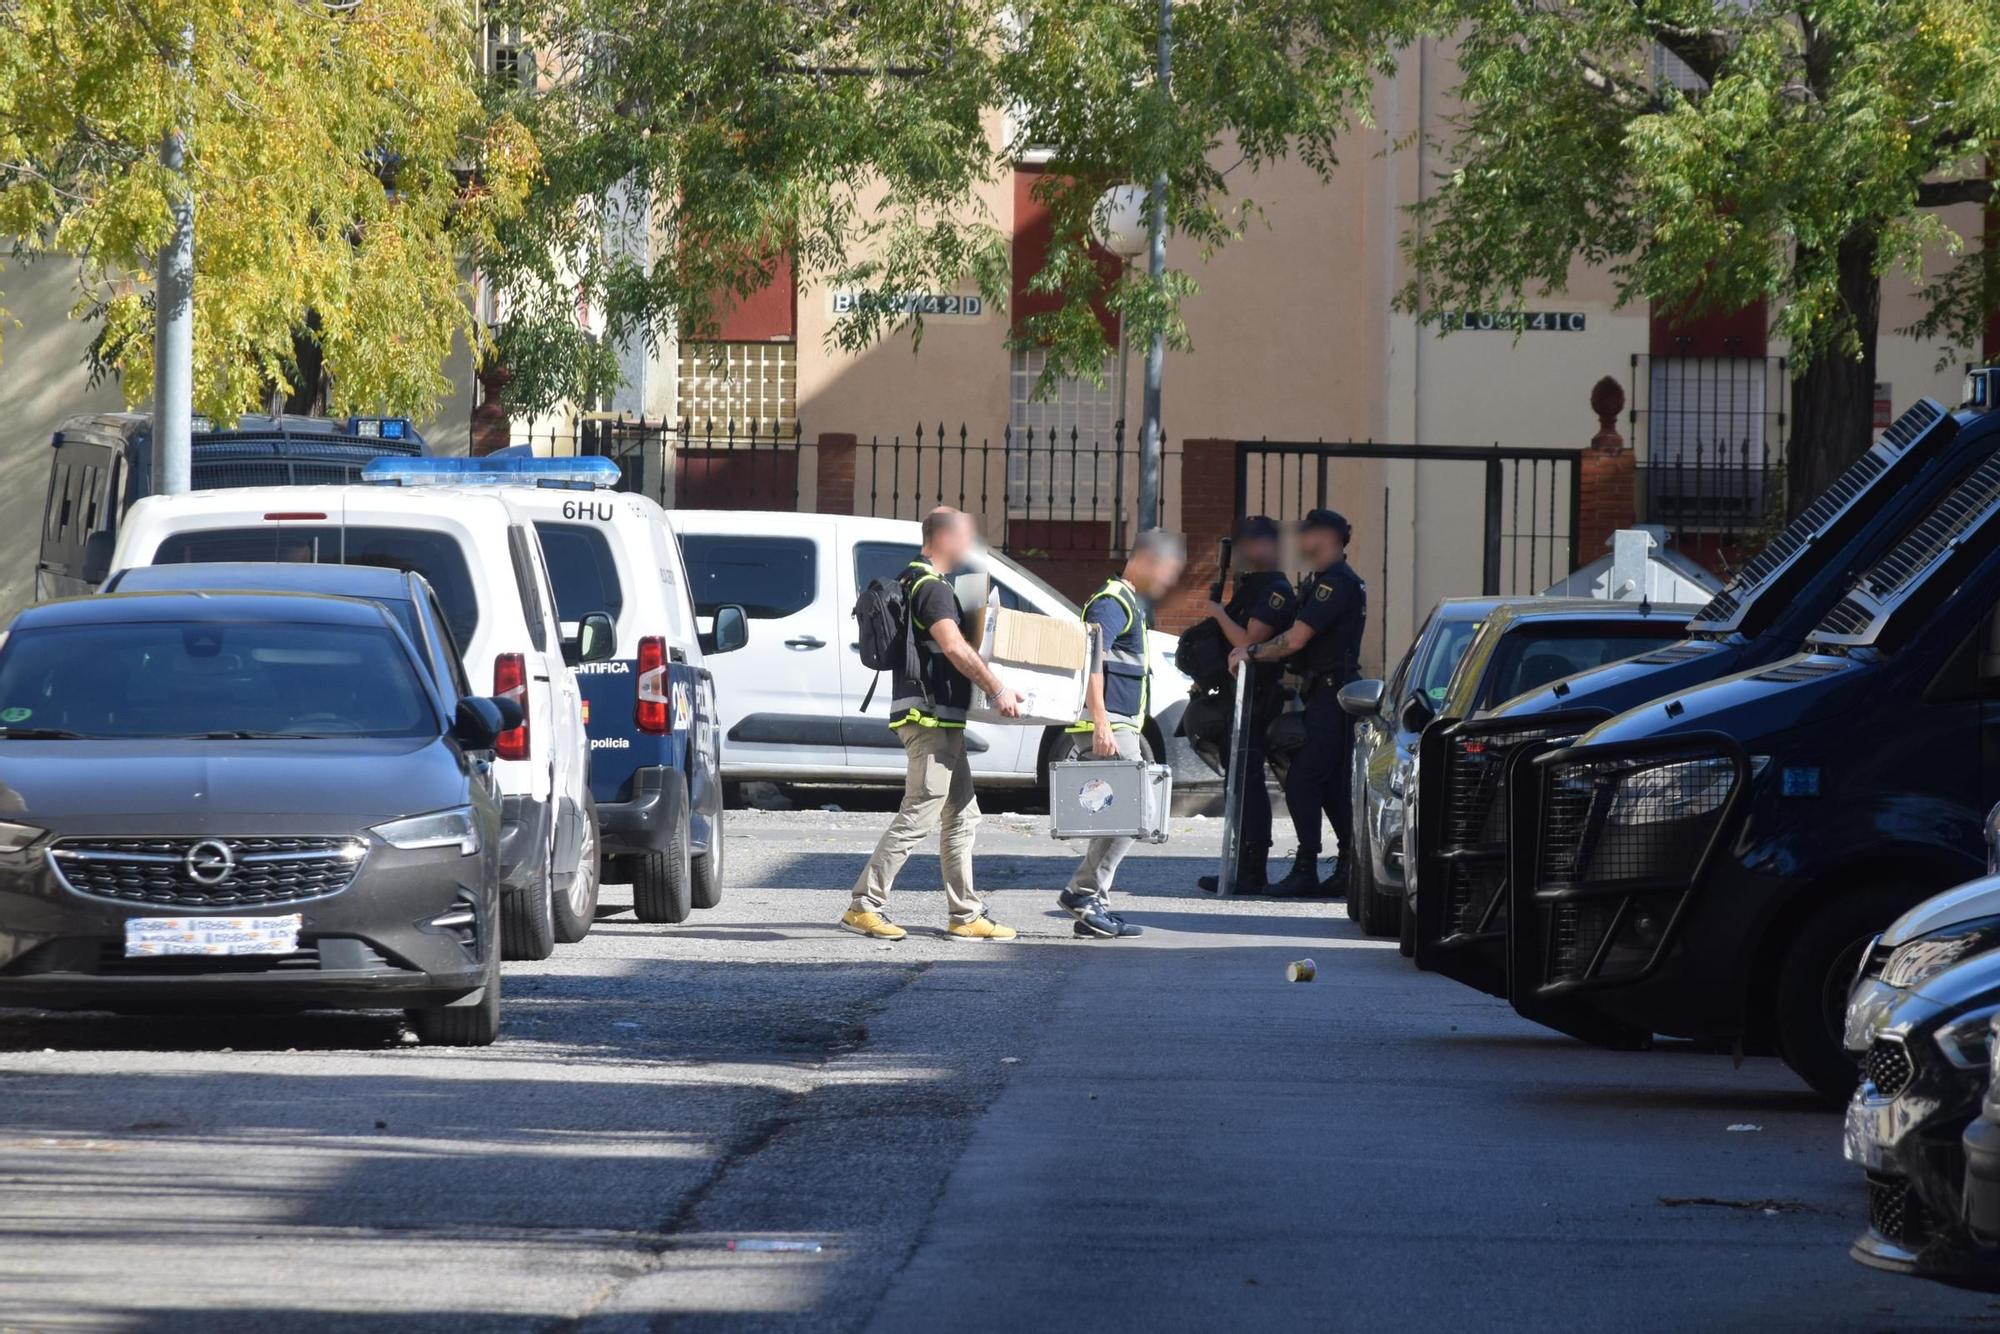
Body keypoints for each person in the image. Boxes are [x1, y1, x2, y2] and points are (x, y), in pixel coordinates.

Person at [843, 508, 1025, 942]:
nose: (969, 545)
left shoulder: (914, 580)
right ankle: (863, 905)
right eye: (965, 536)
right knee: (919, 813)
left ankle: (965, 915)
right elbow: (954, 647)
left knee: (963, 815)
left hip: (940, 719)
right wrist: (997, 689)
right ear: (944, 538)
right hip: (929, 719)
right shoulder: (932, 587)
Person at [1227, 509, 1365, 899]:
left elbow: (1296, 640)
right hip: (1323, 692)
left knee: (1304, 780)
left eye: (1309, 534)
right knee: (1330, 785)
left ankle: (1307, 865)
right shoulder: (1323, 581)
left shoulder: (1335, 584)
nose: (1302, 542)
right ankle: (1348, 863)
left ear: (1329, 538)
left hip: (1332, 694)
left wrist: (1252, 651)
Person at [1056, 529, 1187, 939]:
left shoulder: (1127, 602)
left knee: (1118, 813)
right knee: (1135, 809)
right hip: (1108, 723)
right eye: (1166, 572)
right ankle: (1083, 893)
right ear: (1146, 561)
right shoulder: (1112, 603)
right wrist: (1100, 722)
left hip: (1118, 722)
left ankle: (1089, 903)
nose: (1167, 582)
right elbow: (1091, 661)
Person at [1196, 516, 1296, 894]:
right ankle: (1240, 866)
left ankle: (1252, 870)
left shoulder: (1275, 590)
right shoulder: (1252, 585)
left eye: (1255, 543)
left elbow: (1248, 642)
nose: (1246, 551)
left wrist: (1217, 613)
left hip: (1256, 695)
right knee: (1237, 782)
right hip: (1236, 694)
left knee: (1248, 783)